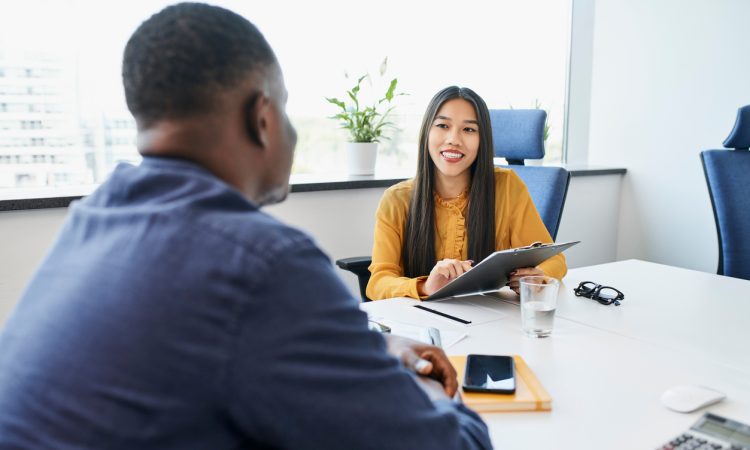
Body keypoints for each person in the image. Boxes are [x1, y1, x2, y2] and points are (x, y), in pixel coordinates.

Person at [0, 4, 492, 449]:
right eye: (285, 106)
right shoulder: (264, 262)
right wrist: (423, 383)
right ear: (262, 118)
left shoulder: (93, 220)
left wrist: (380, 345)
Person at [367, 86, 567, 300]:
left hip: (491, 320)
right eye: (443, 125)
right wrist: (426, 287)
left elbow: (555, 260)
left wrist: (539, 277)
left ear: (483, 140)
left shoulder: (508, 186)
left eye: (469, 129)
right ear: (427, 132)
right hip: (421, 323)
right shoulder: (396, 200)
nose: (453, 139)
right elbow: (378, 283)